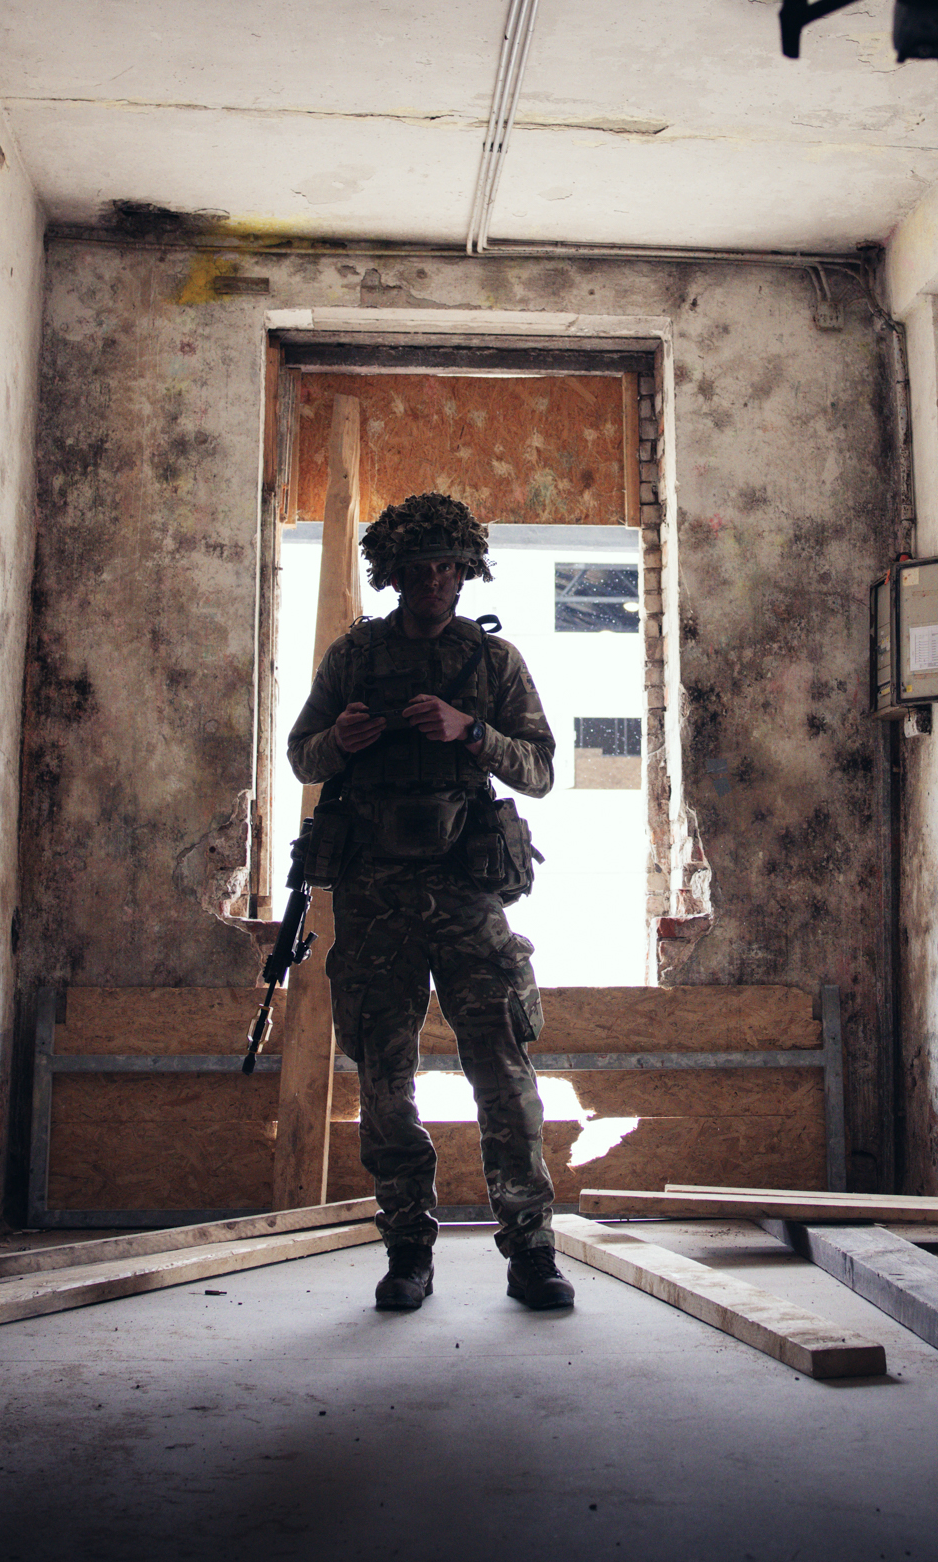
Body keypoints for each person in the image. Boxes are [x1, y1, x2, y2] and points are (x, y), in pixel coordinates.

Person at [285, 491, 572, 1311]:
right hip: (376, 892)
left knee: (502, 1067)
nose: (435, 582)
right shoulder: (354, 656)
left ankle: (531, 1247)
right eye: (419, 568)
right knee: (384, 1075)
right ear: (394, 573)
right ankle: (407, 1243)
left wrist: (470, 731)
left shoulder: (492, 663)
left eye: (449, 566)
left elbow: (542, 770)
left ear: (465, 569)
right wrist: (340, 740)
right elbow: (304, 757)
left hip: (465, 888)